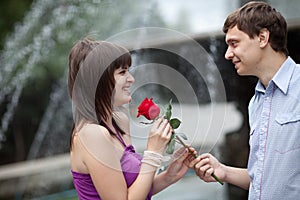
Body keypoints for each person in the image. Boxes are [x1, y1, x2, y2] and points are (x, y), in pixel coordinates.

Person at [190, 1, 300, 199]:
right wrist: (223, 171)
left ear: (262, 38)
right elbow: (262, 180)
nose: (227, 54)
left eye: (234, 43)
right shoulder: (256, 103)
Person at [68, 38, 194, 200]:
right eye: (122, 72)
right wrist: (153, 153)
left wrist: (168, 176)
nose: (131, 79)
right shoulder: (91, 134)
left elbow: (132, 192)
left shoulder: (119, 121)